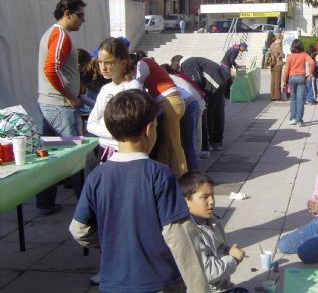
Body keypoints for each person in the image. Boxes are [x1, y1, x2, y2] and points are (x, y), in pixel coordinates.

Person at [69, 89, 209, 293]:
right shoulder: (160, 174)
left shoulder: (97, 176)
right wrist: (199, 288)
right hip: (159, 281)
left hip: (113, 281)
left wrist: (112, 243)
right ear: (149, 128)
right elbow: (180, 236)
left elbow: (78, 229)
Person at [36, 0, 86, 216]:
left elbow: (58, 69)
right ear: (68, 14)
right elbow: (51, 69)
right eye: (80, 15)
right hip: (59, 106)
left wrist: (76, 87)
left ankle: (45, 203)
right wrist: (68, 95)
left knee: (50, 158)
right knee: (76, 157)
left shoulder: (55, 33)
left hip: (51, 104)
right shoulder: (60, 35)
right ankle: (88, 209)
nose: (82, 20)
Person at [180, 172, 249, 293]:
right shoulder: (188, 231)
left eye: (212, 195)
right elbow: (207, 272)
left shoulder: (213, 221)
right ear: (186, 200)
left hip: (220, 285)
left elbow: (216, 248)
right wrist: (233, 259)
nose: (211, 201)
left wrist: (227, 251)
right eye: (204, 197)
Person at [87, 38, 143, 163]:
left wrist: (103, 128)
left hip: (125, 152)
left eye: (108, 62)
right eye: (100, 62)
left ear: (123, 63)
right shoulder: (105, 89)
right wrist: (115, 134)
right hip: (104, 149)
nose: (103, 67)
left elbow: (130, 126)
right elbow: (91, 123)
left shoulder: (133, 87)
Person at [136, 55, 188, 177]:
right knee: (165, 143)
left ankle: (183, 178)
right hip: (173, 102)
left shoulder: (143, 63)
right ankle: (163, 175)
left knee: (174, 145)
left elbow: (137, 84)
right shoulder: (151, 64)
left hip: (170, 103)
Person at [180, 56, 230, 151]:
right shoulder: (195, 60)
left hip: (214, 83)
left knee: (209, 113)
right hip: (223, 79)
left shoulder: (186, 63)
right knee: (218, 111)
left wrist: (199, 93)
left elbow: (196, 80)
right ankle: (217, 141)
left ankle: (209, 141)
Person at [282, 39, 314, 127]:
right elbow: (312, 62)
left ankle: (293, 118)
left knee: (293, 98)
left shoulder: (289, 56)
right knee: (300, 99)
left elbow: (286, 70)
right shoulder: (304, 55)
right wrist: (309, 73)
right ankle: (299, 120)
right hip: (301, 77)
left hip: (292, 78)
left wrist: (284, 81)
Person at [266, 34, 284, 101]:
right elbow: (282, 55)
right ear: (278, 39)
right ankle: (277, 96)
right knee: (277, 81)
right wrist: (282, 55)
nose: (281, 41)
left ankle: (272, 96)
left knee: (273, 81)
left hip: (272, 64)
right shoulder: (278, 46)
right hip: (277, 65)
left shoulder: (271, 45)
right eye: (280, 40)